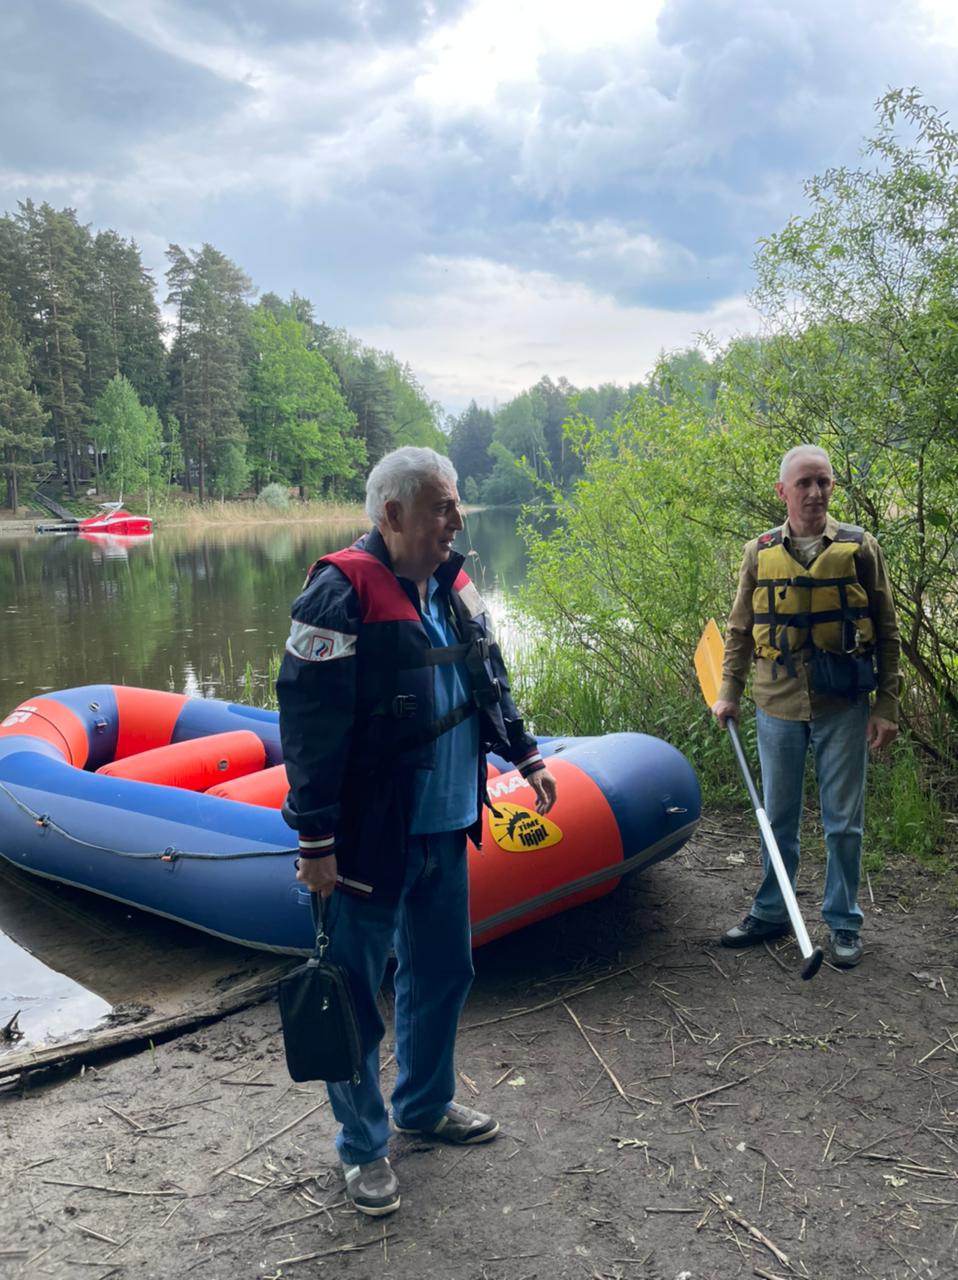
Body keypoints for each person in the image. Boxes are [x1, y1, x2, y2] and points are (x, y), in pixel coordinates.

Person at [276, 446, 557, 1217]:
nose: (457, 519)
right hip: (368, 838)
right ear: (393, 514)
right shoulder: (337, 593)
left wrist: (525, 753)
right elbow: (308, 726)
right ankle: (362, 1148)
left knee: (443, 972)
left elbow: (487, 675)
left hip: (447, 823)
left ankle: (424, 1105)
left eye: (456, 504)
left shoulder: (454, 585)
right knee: (352, 994)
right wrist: (315, 841)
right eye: (442, 506)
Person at [711, 444, 900, 970]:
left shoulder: (860, 547)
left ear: (832, 487)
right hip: (776, 702)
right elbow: (740, 630)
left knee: (844, 822)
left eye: (823, 482)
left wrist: (887, 704)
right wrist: (729, 691)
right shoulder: (759, 552)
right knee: (777, 817)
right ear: (783, 492)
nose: (815, 492)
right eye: (804, 483)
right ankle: (773, 911)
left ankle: (843, 921)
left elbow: (887, 630)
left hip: (843, 703)